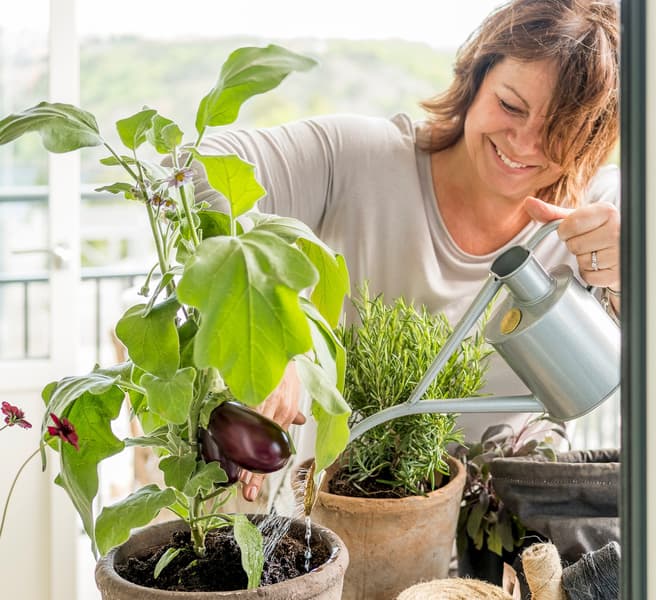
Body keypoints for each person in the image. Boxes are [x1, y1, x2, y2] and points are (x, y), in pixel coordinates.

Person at [192, 0, 621, 505]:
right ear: (477, 78)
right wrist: (272, 335)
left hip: (506, 524)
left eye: (559, 129)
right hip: (350, 512)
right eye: (510, 106)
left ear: (593, 136)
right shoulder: (359, 159)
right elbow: (192, 168)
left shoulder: (599, 213)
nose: (524, 144)